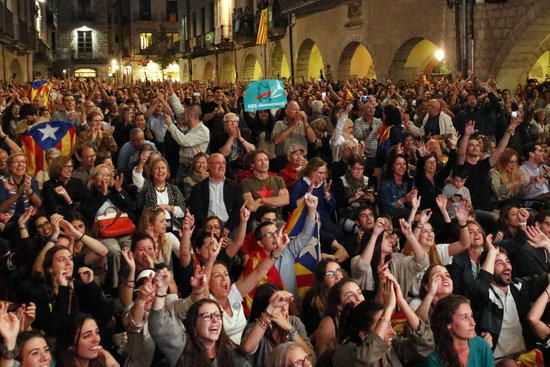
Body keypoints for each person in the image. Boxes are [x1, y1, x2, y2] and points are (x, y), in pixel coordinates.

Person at [332, 276, 434, 367]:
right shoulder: (344, 352)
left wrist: (401, 302)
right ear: (363, 335)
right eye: (350, 296)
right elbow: (366, 359)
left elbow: (425, 345)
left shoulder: (391, 344)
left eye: (359, 292)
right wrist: (389, 308)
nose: (392, 332)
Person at [472, 239, 548, 360]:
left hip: (526, 356)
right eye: (499, 263)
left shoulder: (519, 287)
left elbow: (547, 278)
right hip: (499, 361)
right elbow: (481, 288)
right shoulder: (483, 296)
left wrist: (548, 245)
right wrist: (491, 253)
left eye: (507, 261)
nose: (507, 266)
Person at [81, 164, 135, 290]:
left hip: (122, 231)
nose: (104, 177)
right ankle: (114, 287)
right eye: (100, 174)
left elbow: (131, 209)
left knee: (126, 250)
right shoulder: (89, 193)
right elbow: (88, 213)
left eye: (107, 175)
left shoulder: (115, 192)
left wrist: (119, 191)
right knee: (115, 251)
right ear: (94, 178)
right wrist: (103, 194)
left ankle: (127, 284)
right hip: (102, 233)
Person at [241, 285, 313, 367]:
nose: (285, 309)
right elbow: (247, 348)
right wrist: (268, 314)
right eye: (279, 304)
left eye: (286, 302)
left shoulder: (294, 322)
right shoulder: (254, 327)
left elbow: (311, 359)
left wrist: (289, 328)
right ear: (266, 308)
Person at [426, 295, 495, 366]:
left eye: (471, 316)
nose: (473, 323)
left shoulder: (481, 345)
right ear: (448, 323)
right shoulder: (434, 358)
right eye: (464, 317)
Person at [188, 153, 244, 231]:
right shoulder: (198, 188)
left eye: (223, 163)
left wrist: (228, 228)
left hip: (229, 227)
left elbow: (238, 210)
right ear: (209, 166)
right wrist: (209, 227)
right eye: (218, 163)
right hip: (207, 227)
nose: (222, 166)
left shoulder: (234, 186)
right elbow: (196, 212)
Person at [134, 157, 186, 233]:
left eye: (163, 168)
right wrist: (141, 163)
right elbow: (137, 177)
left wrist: (169, 208)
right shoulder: (146, 186)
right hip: (151, 227)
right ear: (151, 172)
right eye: (156, 168)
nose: (160, 171)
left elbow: (183, 211)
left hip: (172, 226)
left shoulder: (174, 189)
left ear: (167, 171)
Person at [301, 259, 345, 335]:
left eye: (338, 271)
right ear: (322, 278)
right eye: (330, 273)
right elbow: (312, 333)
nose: (337, 277)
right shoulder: (311, 299)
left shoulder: (349, 289)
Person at [241, 150, 289, 217]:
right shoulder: (246, 182)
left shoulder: (278, 180)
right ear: (253, 164)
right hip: (257, 219)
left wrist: (261, 200)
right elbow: (251, 207)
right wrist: (276, 201)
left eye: (266, 160)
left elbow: (285, 200)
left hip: (277, 218)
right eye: (260, 160)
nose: (264, 163)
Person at [42, 155, 88, 220]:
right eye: (66, 166)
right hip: (58, 219)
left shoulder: (77, 183)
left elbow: (81, 206)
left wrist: (66, 196)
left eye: (71, 166)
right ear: (58, 168)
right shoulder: (49, 185)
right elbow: (51, 209)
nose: (70, 169)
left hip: (77, 218)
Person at [378, 153, 416, 219]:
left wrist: (412, 201)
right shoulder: (385, 184)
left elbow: (412, 205)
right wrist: (404, 199)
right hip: (392, 218)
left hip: (409, 215)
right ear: (392, 167)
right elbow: (386, 209)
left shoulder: (409, 182)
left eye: (404, 164)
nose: (402, 166)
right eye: (398, 164)